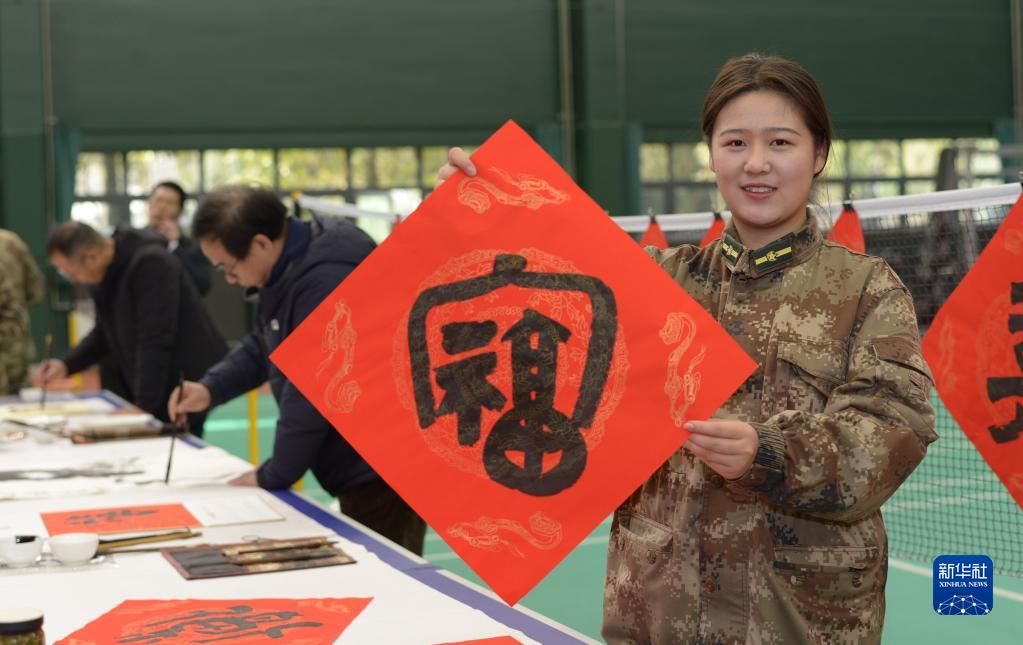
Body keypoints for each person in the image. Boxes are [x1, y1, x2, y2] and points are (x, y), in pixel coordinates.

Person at [439, 54, 937, 644]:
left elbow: (893, 431)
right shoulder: (656, 280)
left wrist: (771, 452)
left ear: (819, 153)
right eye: (735, 142)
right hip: (657, 611)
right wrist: (474, 208)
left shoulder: (866, 289)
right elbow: (537, 288)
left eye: (780, 142)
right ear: (711, 155)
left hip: (797, 618)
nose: (756, 163)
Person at [167, 187, 427, 555]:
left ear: (260, 243)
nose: (229, 279)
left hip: (380, 467)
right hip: (356, 461)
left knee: (390, 573)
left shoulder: (325, 278)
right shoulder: (285, 269)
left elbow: (310, 389)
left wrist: (273, 475)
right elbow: (266, 343)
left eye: (229, 267)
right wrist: (210, 388)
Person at [32, 222, 227, 435]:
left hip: (179, 383)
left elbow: (155, 338)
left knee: (176, 445)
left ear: (92, 257)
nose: (73, 280)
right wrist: (66, 365)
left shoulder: (152, 264)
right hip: (148, 386)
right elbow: (103, 334)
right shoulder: (102, 274)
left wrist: (144, 407)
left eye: (70, 273)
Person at [147, 181, 213, 296]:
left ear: (180, 210)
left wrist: (174, 246)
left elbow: (201, 286)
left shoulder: (192, 247)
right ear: (149, 203)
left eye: (169, 203)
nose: (161, 207)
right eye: (158, 200)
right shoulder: (133, 240)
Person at [0, 229, 45, 393]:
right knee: (17, 402)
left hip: (12, 346)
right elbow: (36, 292)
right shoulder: (10, 241)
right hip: (16, 345)